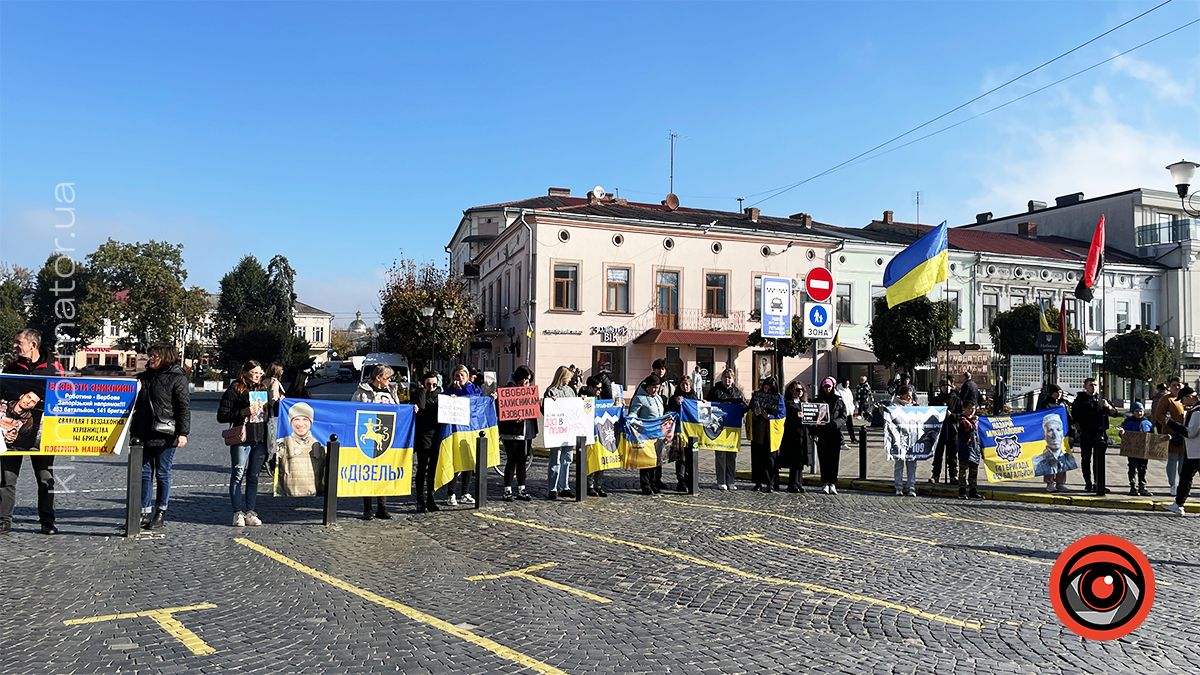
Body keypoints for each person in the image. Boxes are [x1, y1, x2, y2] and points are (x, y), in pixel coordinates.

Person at [1, 329, 65, 535]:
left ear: (33, 345)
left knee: (45, 478)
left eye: (18, 342)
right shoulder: (11, 367)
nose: (15, 346)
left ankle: (47, 522)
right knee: (7, 479)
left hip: (43, 435)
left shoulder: (54, 369)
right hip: (11, 436)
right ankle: (4, 521)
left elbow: (66, 396)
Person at [131, 344, 190, 531]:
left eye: (155, 356)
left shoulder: (177, 378)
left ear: (165, 357)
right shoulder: (144, 377)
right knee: (144, 473)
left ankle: (160, 512)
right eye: (150, 356)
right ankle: (144, 511)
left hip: (166, 432)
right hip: (143, 431)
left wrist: (183, 433)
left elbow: (183, 407)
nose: (151, 359)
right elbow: (135, 404)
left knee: (163, 473)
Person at [217, 361, 270, 527]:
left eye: (260, 373)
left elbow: (269, 414)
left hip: (260, 437)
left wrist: (273, 405)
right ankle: (237, 512)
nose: (257, 375)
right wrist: (242, 412)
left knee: (253, 477)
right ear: (245, 372)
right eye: (254, 372)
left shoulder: (263, 390)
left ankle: (250, 511)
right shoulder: (235, 389)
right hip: (242, 438)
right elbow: (222, 415)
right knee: (238, 474)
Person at [351, 365, 400, 519]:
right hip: (367, 439)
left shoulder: (391, 391)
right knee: (368, 473)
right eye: (387, 377)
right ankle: (367, 509)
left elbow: (398, 411)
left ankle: (382, 507)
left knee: (383, 473)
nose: (390, 380)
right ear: (378, 378)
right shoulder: (362, 392)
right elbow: (353, 411)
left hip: (387, 439)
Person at [1071, 377, 1120, 495]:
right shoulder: (1080, 400)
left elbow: (1115, 413)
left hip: (1100, 433)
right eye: (1091, 385)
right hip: (1086, 433)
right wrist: (1080, 431)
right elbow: (1075, 417)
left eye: (1095, 385)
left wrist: (1107, 406)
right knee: (1086, 459)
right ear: (1085, 386)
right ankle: (1088, 483)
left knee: (1099, 460)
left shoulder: (1102, 399)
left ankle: (1099, 483)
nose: (1093, 387)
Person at [444, 364, 483, 506]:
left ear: (467, 377)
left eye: (462, 375)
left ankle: (465, 492)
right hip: (455, 431)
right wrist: (454, 392)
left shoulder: (474, 388)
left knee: (469, 462)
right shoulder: (449, 390)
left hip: (470, 429)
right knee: (456, 464)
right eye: (456, 375)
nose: (459, 378)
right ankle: (451, 493)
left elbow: (476, 401)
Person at [499, 366, 536, 502]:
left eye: (528, 382)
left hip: (526, 432)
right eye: (524, 381)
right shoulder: (507, 390)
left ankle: (522, 488)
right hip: (511, 432)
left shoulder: (528, 391)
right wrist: (513, 417)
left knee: (522, 460)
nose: (526, 384)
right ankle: (507, 490)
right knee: (512, 460)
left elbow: (533, 409)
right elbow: (502, 410)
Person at [274, 402, 326, 497]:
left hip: (313, 497)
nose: (301, 424)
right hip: (288, 497)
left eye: (305, 419)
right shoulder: (283, 442)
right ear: (290, 422)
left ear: (311, 422)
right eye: (297, 419)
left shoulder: (318, 445)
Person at [706, 368, 746, 490]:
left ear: (733, 380)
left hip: (732, 429)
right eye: (725, 377)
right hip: (719, 427)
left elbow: (744, 408)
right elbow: (707, 405)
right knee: (720, 455)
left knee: (731, 455)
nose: (727, 380)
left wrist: (744, 407)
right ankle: (721, 480)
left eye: (729, 378)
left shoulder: (738, 393)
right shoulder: (715, 391)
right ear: (721, 378)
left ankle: (731, 480)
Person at [628, 374, 667, 495]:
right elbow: (633, 413)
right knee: (646, 461)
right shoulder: (639, 398)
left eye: (658, 387)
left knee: (657, 461)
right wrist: (631, 419)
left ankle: (655, 482)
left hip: (658, 435)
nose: (656, 390)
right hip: (645, 435)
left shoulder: (659, 398)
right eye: (653, 387)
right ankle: (646, 485)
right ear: (647, 387)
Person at [543, 365, 577, 500]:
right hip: (557, 431)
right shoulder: (551, 391)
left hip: (569, 430)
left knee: (567, 459)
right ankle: (553, 487)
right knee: (555, 459)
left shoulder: (570, 391)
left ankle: (565, 486)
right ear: (561, 377)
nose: (569, 381)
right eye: (567, 378)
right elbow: (545, 410)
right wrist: (551, 403)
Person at [1165, 386, 1199, 516]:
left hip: (1196, 453)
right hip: (1193, 452)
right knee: (1185, 478)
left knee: (1185, 478)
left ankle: (1178, 504)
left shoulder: (1197, 412)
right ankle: (1178, 504)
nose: (1182, 403)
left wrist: (1172, 424)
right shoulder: (1195, 411)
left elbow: (1191, 433)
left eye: (1183, 399)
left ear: (1190, 397)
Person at [411, 371, 441, 511]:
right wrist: (422, 390)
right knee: (422, 468)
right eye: (428, 384)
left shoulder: (441, 395)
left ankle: (431, 496)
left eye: (434, 384)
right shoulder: (419, 393)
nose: (432, 387)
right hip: (423, 436)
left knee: (433, 469)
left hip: (437, 435)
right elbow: (421, 406)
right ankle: (420, 499)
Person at [813, 377, 848, 495]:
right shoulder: (817, 400)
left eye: (829, 386)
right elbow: (812, 417)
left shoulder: (838, 400)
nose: (827, 389)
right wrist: (814, 433)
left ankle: (832, 482)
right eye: (825, 386)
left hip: (834, 433)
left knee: (834, 459)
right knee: (823, 459)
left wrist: (834, 423)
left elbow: (844, 417)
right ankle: (825, 482)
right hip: (822, 434)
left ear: (832, 387)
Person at [666, 375, 699, 492]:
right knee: (681, 457)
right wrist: (677, 404)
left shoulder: (694, 398)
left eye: (687, 385)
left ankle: (690, 480)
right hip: (679, 431)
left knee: (691, 457)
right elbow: (669, 412)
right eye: (683, 385)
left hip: (692, 432)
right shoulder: (674, 398)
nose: (685, 387)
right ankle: (680, 481)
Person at [1153, 377, 1185, 496]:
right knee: (1172, 460)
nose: (1177, 387)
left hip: (1184, 435)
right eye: (1174, 385)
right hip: (1171, 435)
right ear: (1170, 386)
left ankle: (1182, 485)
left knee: (1183, 461)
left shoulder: (1184, 399)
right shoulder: (1166, 399)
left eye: (1179, 385)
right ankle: (1173, 485)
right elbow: (1159, 415)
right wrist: (1168, 424)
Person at [1037, 384, 1071, 492]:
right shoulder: (1045, 404)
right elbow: (1039, 417)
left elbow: (1069, 418)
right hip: (1049, 436)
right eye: (1056, 392)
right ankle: (1050, 482)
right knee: (1050, 459)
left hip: (1062, 435)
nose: (1058, 394)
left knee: (1062, 459)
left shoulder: (1063, 404)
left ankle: (1060, 482)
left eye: (1060, 392)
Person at [750, 377, 781, 492]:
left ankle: (771, 483)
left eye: (770, 388)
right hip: (759, 433)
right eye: (765, 387)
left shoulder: (778, 398)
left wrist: (770, 417)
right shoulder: (757, 396)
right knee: (758, 459)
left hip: (771, 433)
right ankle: (758, 482)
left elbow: (781, 414)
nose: (767, 390)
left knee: (771, 460)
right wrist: (755, 413)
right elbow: (750, 410)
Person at [779, 381, 809, 493]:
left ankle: (799, 483)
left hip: (803, 434)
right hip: (792, 435)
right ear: (791, 391)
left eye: (801, 390)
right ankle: (792, 484)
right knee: (794, 460)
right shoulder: (788, 403)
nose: (799, 392)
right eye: (796, 390)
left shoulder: (805, 404)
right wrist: (795, 416)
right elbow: (785, 417)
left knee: (801, 460)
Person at [929, 379, 960, 484]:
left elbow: (961, 415)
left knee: (952, 454)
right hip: (939, 430)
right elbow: (929, 413)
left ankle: (953, 475)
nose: (946, 388)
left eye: (948, 385)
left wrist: (952, 415)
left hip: (952, 429)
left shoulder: (956, 400)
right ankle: (935, 474)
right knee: (938, 454)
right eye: (943, 386)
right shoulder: (935, 400)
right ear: (940, 387)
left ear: (951, 386)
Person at [889, 384, 919, 497]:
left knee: (912, 464)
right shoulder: (895, 406)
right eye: (907, 396)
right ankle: (899, 487)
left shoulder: (915, 407)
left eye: (911, 396)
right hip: (899, 439)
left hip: (912, 439)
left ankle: (911, 487)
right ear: (902, 396)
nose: (910, 398)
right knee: (899, 464)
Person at [1120, 402, 1154, 497]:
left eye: (1141, 411)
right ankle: (1133, 486)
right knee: (1132, 468)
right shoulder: (1128, 422)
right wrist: (1122, 433)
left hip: (1144, 451)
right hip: (1132, 450)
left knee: (1142, 468)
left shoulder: (1147, 423)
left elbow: (1152, 435)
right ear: (1133, 412)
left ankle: (1142, 487)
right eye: (1137, 411)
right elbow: (1123, 433)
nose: (1139, 413)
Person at [957, 399, 984, 500]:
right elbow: (970, 428)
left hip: (975, 449)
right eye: (969, 409)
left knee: (974, 471)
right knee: (963, 471)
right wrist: (974, 421)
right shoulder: (962, 419)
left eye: (973, 409)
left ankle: (973, 490)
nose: (971, 411)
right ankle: (962, 491)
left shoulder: (975, 419)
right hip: (965, 448)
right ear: (964, 409)